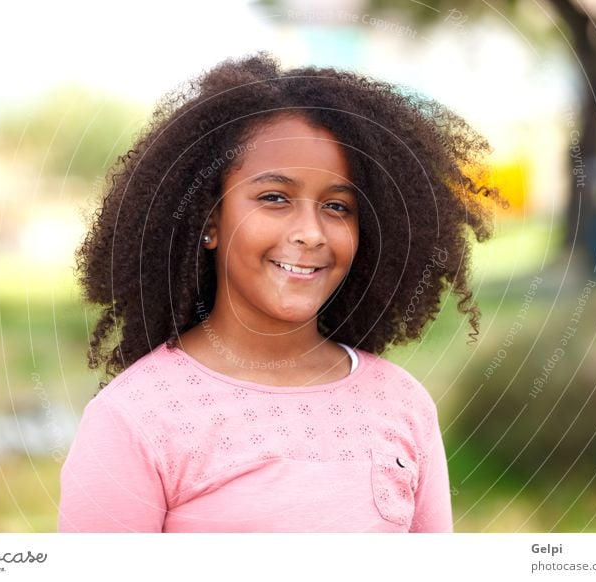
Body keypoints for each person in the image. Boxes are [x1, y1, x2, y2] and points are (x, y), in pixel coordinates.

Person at [58, 51, 505, 532]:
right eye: (274, 198)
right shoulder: (137, 418)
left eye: (337, 206)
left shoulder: (402, 404)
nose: (311, 232)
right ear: (209, 220)